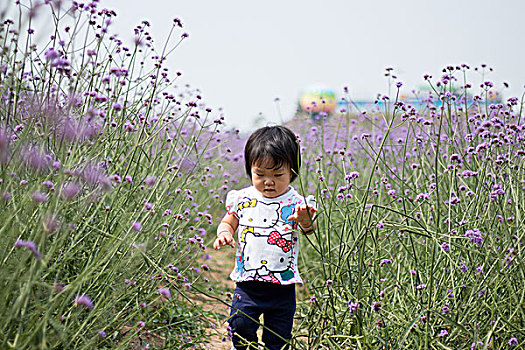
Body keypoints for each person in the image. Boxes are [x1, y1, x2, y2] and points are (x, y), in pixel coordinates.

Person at [213, 125, 317, 350]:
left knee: (278, 337)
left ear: (292, 172)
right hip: (248, 283)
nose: (268, 181)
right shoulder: (243, 198)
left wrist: (306, 219)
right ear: (250, 170)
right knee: (239, 325)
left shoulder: (296, 202)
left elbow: (309, 230)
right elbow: (230, 220)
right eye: (260, 174)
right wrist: (224, 233)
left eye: (278, 175)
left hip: (282, 286)